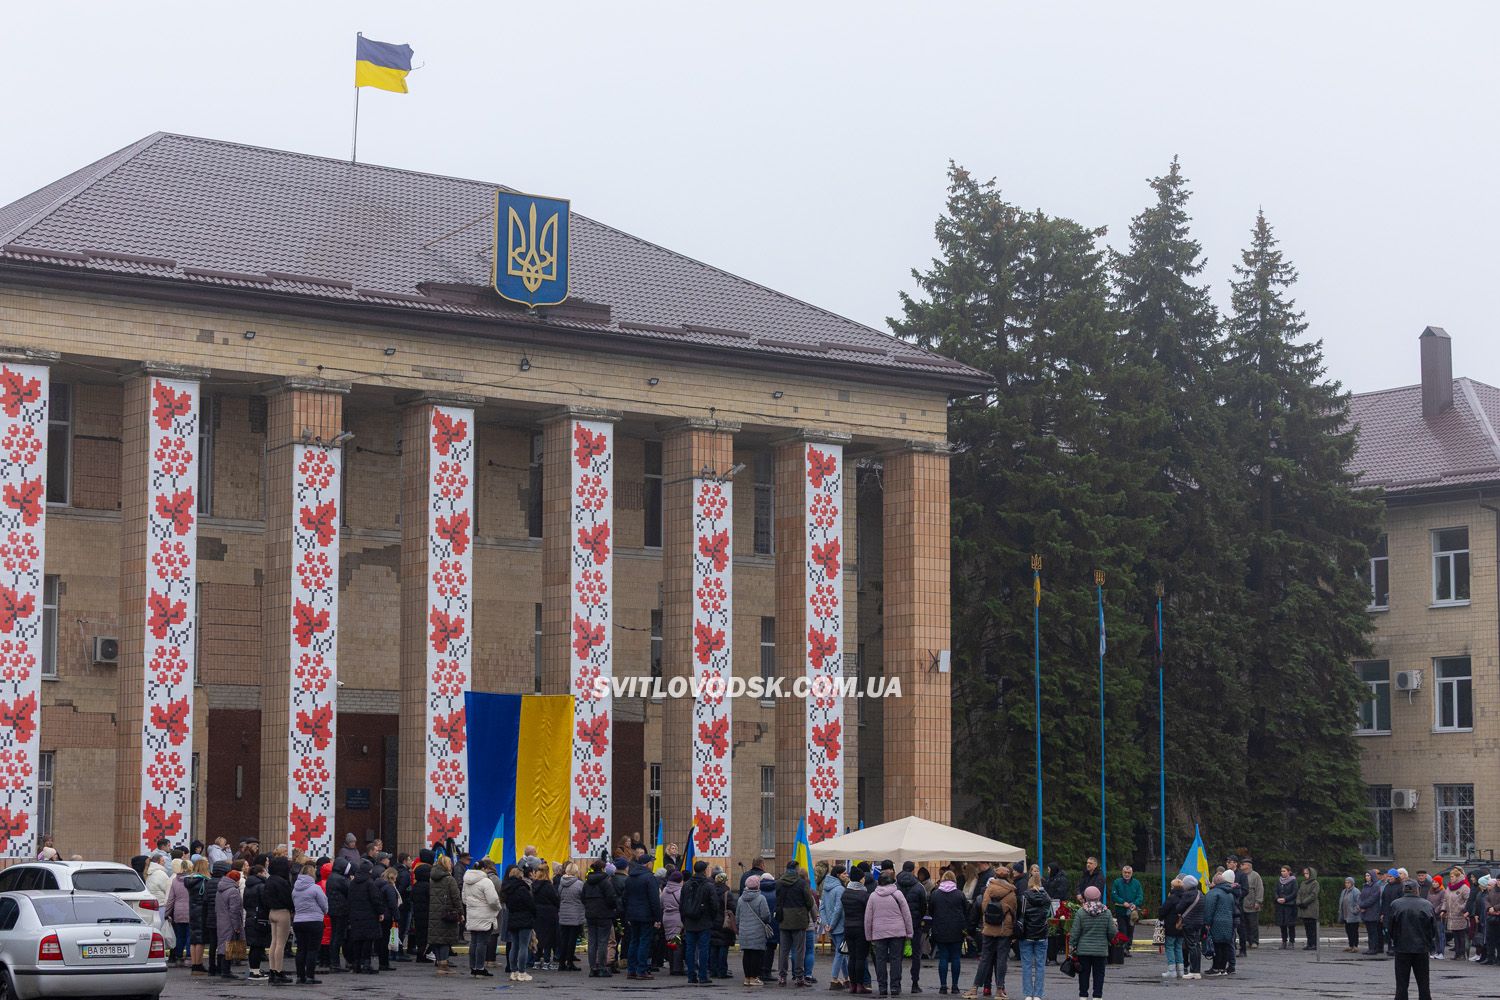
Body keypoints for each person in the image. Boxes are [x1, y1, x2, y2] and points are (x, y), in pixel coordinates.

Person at [964, 867, 1014, 1000]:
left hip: (989, 928)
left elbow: (984, 907)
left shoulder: (989, 889)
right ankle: (999, 990)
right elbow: (1014, 910)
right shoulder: (1011, 891)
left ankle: (974, 989)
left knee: (985, 959)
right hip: (1005, 929)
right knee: (1001, 959)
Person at [866, 870, 913, 998]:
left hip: (879, 933)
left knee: (880, 960)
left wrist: (868, 935)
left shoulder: (873, 896)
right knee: (896, 960)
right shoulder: (898, 894)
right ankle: (895, 987)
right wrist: (909, 932)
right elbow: (907, 915)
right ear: (892, 881)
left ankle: (882, 988)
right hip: (897, 932)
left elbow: (868, 918)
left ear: (878, 882)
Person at [1389, 879, 1436, 1000]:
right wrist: (1429, 943)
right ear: (1417, 890)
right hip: (1421, 948)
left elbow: (1390, 927)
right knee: (1423, 983)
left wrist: (1395, 940)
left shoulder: (1396, 904)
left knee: (1401, 984)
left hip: (1402, 947)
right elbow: (1432, 928)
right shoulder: (1427, 905)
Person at [1068, 886, 1116, 1000]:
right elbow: (1112, 931)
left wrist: (1072, 944)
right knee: (1099, 974)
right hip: (1100, 950)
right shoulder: (1107, 912)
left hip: (1083, 950)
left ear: (1086, 897)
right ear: (1099, 896)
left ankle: (1083, 995)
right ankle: (1097, 996)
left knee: (1083, 974)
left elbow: (1075, 931)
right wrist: (1109, 940)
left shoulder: (1081, 912)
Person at [927, 869, 969, 995]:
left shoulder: (935, 894)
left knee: (943, 957)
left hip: (940, 929)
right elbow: (966, 910)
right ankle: (955, 986)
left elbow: (931, 911)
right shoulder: (960, 894)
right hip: (957, 929)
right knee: (956, 957)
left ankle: (943, 986)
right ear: (954, 880)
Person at [775, 861, 816, 987]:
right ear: (796, 869)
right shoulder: (802, 883)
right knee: (799, 950)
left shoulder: (779, 883)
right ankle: (799, 978)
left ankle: (782, 977)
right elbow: (809, 902)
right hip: (799, 920)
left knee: (784, 950)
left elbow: (777, 899)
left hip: (783, 919)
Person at [622, 855, 662, 979]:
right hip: (646, 915)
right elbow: (654, 899)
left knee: (634, 941)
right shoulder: (650, 878)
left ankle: (631, 970)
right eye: (651, 862)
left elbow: (624, 898)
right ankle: (642, 970)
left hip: (632, 915)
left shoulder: (630, 878)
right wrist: (658, 917)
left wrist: (627, 913)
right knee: (644, 941)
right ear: (647, 864)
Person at [461, 859, 499, 979]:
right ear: (483, 869)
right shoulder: (486, 881)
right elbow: (493, 900)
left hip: (472, 914)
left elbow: (464, 899)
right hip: (485, 915)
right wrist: (497, 908)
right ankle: (480, 968)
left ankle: (473, 967)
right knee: (482, 943)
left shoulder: (466, 881)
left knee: (474, 942)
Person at [1015, 871, 1050, 1000]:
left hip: (1027, 934)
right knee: (1040, 966)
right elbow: (1050, 914)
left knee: (1027, 965)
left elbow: (1021, 914)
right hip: (1041, 933)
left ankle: (1028, 994)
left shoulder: (1024, 896)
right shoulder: (1046, 897)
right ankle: (1038, 994)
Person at [738, 869, 775, 986]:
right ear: (757, 885)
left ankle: (747, 978)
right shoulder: (761, 898)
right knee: (756, 955)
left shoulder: (740, 899)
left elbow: (737, 916)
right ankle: (754, 978)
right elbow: (765, 916)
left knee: (747, 954)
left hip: (744, 931)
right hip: (757, 931)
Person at [292, 862, 328, 985]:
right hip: (314, 921)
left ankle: (299, 976)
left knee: (301, 949)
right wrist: (324, 912)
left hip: (298, 921)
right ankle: (310, 976)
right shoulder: (315, 888)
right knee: (312, 950)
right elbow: (324, 903)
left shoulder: (295, 889)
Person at [582, 859, 619, 977]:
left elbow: (582, 897)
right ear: (603, 869)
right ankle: (602, 967)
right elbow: (611, 899)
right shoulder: (605, 882)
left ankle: (593, 968)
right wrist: (612, 908)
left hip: (590, 914)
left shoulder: (587, 882)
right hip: (604, 915)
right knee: (603, 941)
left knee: (592, 941)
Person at [427, 855, 463, 976]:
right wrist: (460, 912)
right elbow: (456, 897)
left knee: (436, 939)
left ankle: (439, 962)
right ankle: (443, 965)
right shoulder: (449, 879)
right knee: (445, 939)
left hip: (434, 912)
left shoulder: (432, 878)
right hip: (447, 913)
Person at [896, 862, 928, 992]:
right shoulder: (919, 887)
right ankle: (915, 983)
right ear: (913, 870)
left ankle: (896, 984)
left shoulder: (895, 886)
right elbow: (923, 907)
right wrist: (918, 918)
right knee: (916, 954)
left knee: (897, 955)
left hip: (898, 923)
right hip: (915, 923)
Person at [262, 856, 294, 982]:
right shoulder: (283, 882)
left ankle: (272, 970)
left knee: (273, 943)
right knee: (281, 944)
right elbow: (288, 899)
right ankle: (279, 971)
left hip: (272, 912)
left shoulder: (269, 880)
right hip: (282, 912)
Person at [843, 866, 872, 995]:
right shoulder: (864, 894)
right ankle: (860, 985)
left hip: (848, 927)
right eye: (863, 877)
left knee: (852, 957)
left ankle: (852, 985)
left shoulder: (845, 893)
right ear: (860, 880)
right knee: (860, 958)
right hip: (861, 928)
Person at [1202, 871, 1237, 976]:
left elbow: (1209, 909)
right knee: (1225, 945)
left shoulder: (1213, 893)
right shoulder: (1230, 894)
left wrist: (1207, 922)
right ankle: (1222, 968)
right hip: (1228, 922)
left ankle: (1215, 968)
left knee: (1216, 945)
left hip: (1216, 923)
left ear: (1215, 882)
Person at [214, 864, 245, 981]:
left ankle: (221, 969)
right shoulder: (233, 891)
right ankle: (226, 971)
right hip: (230, 922)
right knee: (230, 946)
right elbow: (235, 911)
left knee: (222, 945)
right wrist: (237, 926)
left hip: (221, 920)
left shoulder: (220, 889)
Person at [243, 862, 272, 981]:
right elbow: (265, 902)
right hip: (260, 918)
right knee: (257, 946)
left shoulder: (248, 886)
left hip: (250, 916)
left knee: (254, 946)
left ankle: (254, 970)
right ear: (260, 873)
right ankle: (255, 972)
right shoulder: (261, 886)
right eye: (264, 871)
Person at [1157, 876, 1189, 980]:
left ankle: (1171, 970)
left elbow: (1163, 911)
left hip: (1171, 926)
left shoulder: (1172, 897)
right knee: (1179, 947)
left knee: (1170, 947)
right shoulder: (1185, 897)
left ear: (1173, 887)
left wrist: (1160, 916)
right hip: (1181, 926)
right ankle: (1180, 970)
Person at [822, 865, 848, 990]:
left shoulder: (825, 888)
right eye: (844, 873)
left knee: (842, 951)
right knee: (840, 952)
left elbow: (822, 908)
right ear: (838, 875)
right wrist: (831, 925)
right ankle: (834, 979)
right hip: (839, 926)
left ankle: (847, 978)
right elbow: (838, 909)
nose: (846, 875)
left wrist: (826, 924)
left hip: (830, 927)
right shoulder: (840, 889)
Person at [165, 859, 194, 968]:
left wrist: (167, 913)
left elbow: (171, 899)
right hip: (190, 911)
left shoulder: (175, 880)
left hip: (178, 911)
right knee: (189, 935)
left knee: (180, 935)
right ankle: (189, 956)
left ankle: (178, 955)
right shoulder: (192, 880)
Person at [326, 857, 353, 972]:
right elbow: (350, 890)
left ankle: (333, 962)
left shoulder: (331, 877)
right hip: (341, 911)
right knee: (339, 937)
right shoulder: (341, 879)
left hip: (333, 910)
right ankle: (336, 964)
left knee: (334, 936)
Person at [557, 862, 585, 972]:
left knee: (563, 939)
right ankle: (569, 962)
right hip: (575, 915)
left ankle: (561, 962)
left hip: (563, 914)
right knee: (572, 940)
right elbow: (583, 898)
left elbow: (559, 895)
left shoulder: (561, 883)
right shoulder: (579, 884)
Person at [533, 864, 562, 971]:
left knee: (538, 938)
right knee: (549, 938)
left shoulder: (534, 885)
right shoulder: (548, 886)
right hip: (549, 914)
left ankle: (536, 961)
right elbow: (556, 900)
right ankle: (546, 961)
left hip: (537, 913)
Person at [1109, 865, 1143, 954]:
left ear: (1132, 873)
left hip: (1132, 912)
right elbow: (1113, 895)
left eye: (1129, 873)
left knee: (1130, 930)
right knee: (1122, 930)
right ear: (1122, 872)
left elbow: (1140, 896)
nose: (1127, 874)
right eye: (1125, 872)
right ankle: (1122, 948)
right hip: (1120, 911)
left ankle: (1127, 948)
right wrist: (1123, 902)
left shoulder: (1136, 883)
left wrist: (1135, 904)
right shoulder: (1117, 882)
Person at [711, 870, 736, 979]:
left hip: (712, 922)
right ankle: (722, 971)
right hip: (724, 923)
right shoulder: (727, 893)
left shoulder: (710, 891)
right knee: (723, 947)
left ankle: (713, 970)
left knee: (713, 947)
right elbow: (733, 908)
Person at [409, 852, 432, 964]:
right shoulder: (428, 886)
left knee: (419, 935)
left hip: (418, 913)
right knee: (425, 935)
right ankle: (422, 955)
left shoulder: (416, 886)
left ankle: (420, 954)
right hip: (426, 913)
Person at [377, 866, 401, 970]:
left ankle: (382, 962)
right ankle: (384, 963)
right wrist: (397, 917)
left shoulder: (378, 885)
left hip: (380, 915)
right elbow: (392, 904)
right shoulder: (389, 887)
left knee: (381, 940)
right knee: (385, 940)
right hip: (387, 916)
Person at [1445, 867, 1470, 960]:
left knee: (1461, 935)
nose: (1450, 878)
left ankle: (1462, 954)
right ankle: (1457, 953)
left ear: (1457, 877)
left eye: (1452, 876)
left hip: (1460, 915)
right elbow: (1445, 899)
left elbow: (1468, 900)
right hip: (1451, 915)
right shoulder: (1449, 887)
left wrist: (1462, 908)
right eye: (1450, 876)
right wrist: (1444, 910)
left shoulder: (1464, 887)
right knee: (1455, 935)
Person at [1359, 870, 1385, 955]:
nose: (1367, 877)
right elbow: (1361, 897)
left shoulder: (1376, 886)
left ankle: (1374, 948)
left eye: (1368, 876)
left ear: (1372, 876)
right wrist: (1360, 905)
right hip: (1365, 911)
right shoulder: (1365, 886)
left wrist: (1363, 905)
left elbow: (1373, 899)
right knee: (1369, 931)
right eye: (1366, 876)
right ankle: (1370, 948)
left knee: (1374, 931)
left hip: (1373, 911)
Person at [1239, 858, 1263, 949]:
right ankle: (1247, 940)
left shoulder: (1255, 875)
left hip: (1252, 904)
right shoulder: (1241, 875)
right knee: (1244, 924)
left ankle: (1254, 941)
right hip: (1242, 904)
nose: (1241, 866)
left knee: (1253, 925)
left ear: (1248, 866)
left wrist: (1258, 901)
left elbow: (1259, 889)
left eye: (1243, 864)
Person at [1274, 865, 1298, 948]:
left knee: (1291, 924)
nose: (1282, 873)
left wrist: (1285, 899)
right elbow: (1276, 891)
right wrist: (1277, 898)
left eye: (1284, 871)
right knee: (1282, 924)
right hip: (1280, 905)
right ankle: (1284, 941)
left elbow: (1294, 892)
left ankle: (1291, 941)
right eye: (1281, 871)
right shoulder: (1279, 881)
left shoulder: (1293, 881)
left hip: (1290, 905)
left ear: (1289, 872)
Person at [1297, 867, 1321, 950]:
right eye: (1304, 873)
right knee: (1307, 928)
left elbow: (1313, 895)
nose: (1305, 875)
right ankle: (1309, 943)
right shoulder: (1303, 883)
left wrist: (1304, 902)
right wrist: (1299, 902)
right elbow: (1299, 893)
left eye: (1307, 873)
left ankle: (1314, 944)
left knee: (1312, 928)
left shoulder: (1315, 883)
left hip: (1311, 908)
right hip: (1304, 908)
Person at [1339, 876, 1361, 952]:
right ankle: (1351, 945)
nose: (1347, 884)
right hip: (1346, 915)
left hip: (1353, 916)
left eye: (1348, 882)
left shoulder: (1356, 891)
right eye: (1346, 882)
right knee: (1348, 931)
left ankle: (1356, 946)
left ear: (1352, 883)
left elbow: (1359, 903)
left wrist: (1354, 911)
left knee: (1354, 931)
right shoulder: (1344, 891)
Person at [1427, 876, 1447, 960]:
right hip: (1431, 915)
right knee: (1434, 935)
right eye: (1433, 882)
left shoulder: (1442, 891)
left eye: (1436, 882)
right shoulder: (1430, 891)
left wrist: (1436, 910)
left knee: (1440, 935)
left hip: (1438, 916)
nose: (1434, 883)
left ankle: (1441, 952)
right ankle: (1436, 951)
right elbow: (1427, 900)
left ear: (1440, 883)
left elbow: (1443, 902)